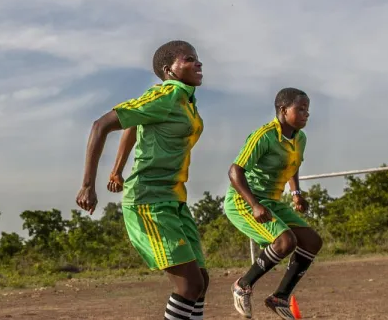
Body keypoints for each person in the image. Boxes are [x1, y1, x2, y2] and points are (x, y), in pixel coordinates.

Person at [76, 40, 208, 320]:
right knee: (190, 285)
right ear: (168, 70)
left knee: (201, 282)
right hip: (149, 201)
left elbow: (136, 125)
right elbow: (101, 125)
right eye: (188, 59)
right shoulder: (166, 95)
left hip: (174, 199)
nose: (198, 63)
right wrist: (88, 185)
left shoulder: (186, 101)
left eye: (197, 58)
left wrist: (117, 169)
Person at [225, 88, 323, 320]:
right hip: (245, 200)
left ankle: (280, 297)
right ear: (282, 110)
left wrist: (296, 192)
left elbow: (293, 163)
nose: (306, 114)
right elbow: (234, 171)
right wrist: (255, 205)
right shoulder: (264, 136)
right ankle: (242, 285)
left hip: (272, 200)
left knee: (312, 241)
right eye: (300, 109)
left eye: (307, 110)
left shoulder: (300, 138)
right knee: (285, 241)